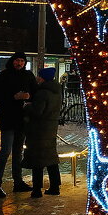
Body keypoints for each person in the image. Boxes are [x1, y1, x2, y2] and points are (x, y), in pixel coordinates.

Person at [0, 52, 36, 197]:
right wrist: (13, 97)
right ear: (12, 61)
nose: (20, 63)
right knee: (5, 151)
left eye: (22, 61)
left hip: (21, 119)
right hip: (8, 119)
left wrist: (29, 96)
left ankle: (18, 182)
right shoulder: (3, 76)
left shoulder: (28, 75)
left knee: (18, 152)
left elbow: (35, 92)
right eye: (17, 60)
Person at [25, 67, 63, 198]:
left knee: (37, 159)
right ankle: (55, 186)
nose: (37, 78)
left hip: (39, 129)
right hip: (51, 128)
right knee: (51, 157)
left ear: (42, 78)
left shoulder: (42, 93)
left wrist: (27, 106)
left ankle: (36, 190)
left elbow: (37, 111)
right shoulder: (57, 92)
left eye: (39, 76)